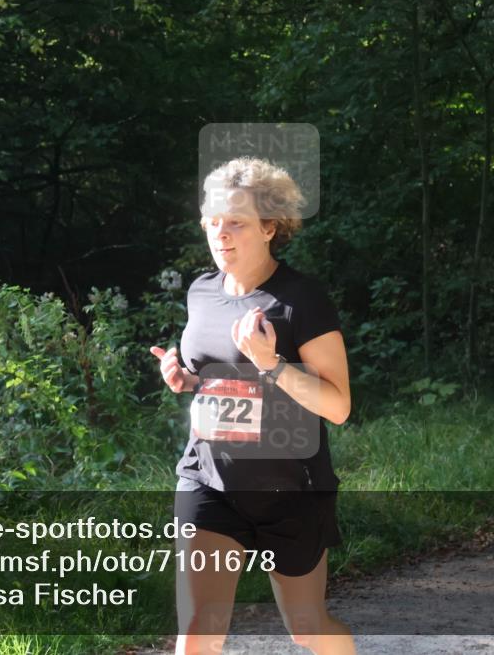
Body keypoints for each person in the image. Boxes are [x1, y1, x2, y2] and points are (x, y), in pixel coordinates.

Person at [149, 157, 355, 655]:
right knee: (198, 631)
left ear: (269, 227)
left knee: (308, 629)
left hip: (290, 488)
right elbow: (214, 377)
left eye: (236, 223)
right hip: (209, 478)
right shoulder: (202, 293)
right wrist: (184, 379)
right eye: (212, 222)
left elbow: (339, 406)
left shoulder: (301, 301)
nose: (221, 234)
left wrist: (274, 364)